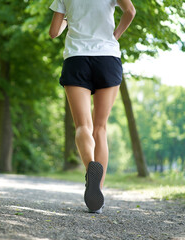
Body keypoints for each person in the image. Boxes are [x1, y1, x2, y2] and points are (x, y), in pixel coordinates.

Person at [48, 0, 136, 213]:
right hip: (107, 57)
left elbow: (53, 32)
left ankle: (90, 169)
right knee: (100, 128)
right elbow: (130, 12)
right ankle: (98, 196)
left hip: (77, 58)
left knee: (82, 127)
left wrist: (69, 19)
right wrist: (115, 35)